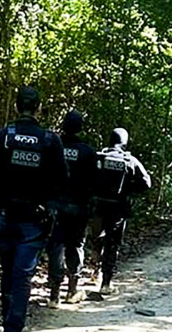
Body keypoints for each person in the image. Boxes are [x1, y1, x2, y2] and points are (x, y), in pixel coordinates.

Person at [0, 85, 68, 332]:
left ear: (16, 107)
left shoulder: (1, 137)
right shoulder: (50, 141)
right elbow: (62, 181)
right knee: (21, 278)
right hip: (33, 220)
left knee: (8, 275)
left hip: (4, 215)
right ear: (38, 109)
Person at [89, 127, 151, 293]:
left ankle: (93, 273)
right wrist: (129, 188)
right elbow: (146, 182)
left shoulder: (98, 156)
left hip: (98, 206)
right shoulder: (129, 160)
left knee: (96, 239)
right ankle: (106, 283)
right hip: (118, 207)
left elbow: (86, 176)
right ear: (124, 142)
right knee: (112, 244)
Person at [47, 110, 98, 307]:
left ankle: (53, 295)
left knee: (56, 246)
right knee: (75, 247)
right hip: (78, 208)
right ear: (80, 128)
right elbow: (95, 182)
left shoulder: (52, 145)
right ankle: (72, 290)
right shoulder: (87, 151)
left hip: (54, 207)